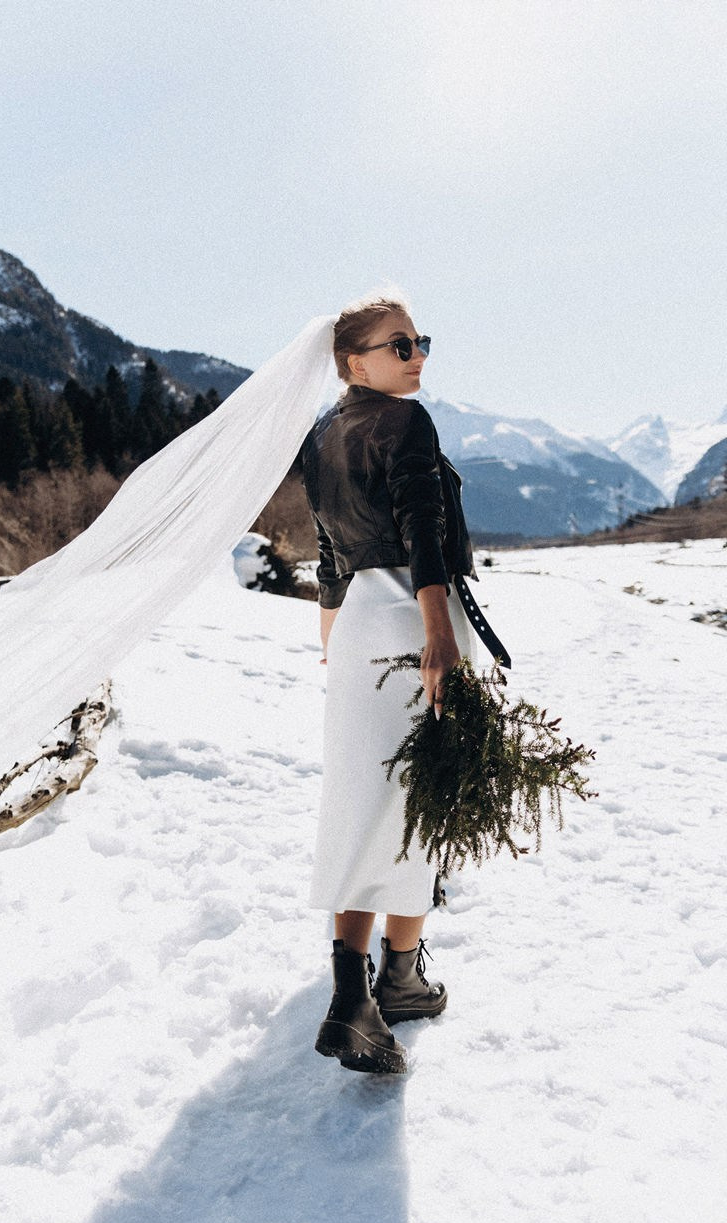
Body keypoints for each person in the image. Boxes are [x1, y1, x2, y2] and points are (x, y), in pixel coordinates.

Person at [294, 294, 480, 1076]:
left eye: (419, 341)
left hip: (359, 631)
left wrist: (334, 643)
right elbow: (422, 530)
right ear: (355, 362)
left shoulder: (321, 436)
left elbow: (331, 556)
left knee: (364, 803)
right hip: (412, 619)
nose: (416, 357)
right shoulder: (408, 422)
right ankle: (378, 988)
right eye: (399, 345)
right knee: (424, 799)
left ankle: (370, 988)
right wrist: (438, 636)